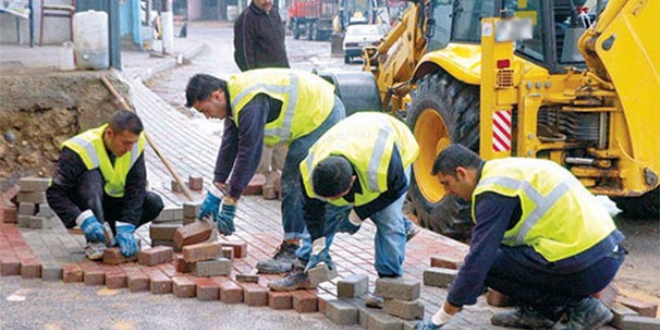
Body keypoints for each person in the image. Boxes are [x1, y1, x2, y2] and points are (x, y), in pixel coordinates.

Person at [416, 144, 625, 330]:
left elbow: (480, 258)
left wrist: (439, 318)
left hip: (587, 266)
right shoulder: (506, 171)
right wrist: (470, 285)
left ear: (462, 173)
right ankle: (540, 313)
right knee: (496, 259)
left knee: (488, 264)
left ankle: (583, 308)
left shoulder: (494, 192)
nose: (448, 192)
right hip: (606, 254)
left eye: (447, 183)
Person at [184, 68, 346, 274]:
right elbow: (229, 146)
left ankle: (293, 248)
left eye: (205, 110)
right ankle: (297, 244)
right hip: (313, 114)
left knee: (294, 176)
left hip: (324, 113)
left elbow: (249, 151)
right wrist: (216, 191)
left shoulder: (250, 101)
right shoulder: (234, 101)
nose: (207, 117)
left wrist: (231, 200)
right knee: (294, 172)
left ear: (216, 95)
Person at [269, 113, 420, 300]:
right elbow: (313, 212)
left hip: (396, 144)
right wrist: (318, 246)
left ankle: (389, 282)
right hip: (351, 136)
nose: (333, 200)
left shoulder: (381, 164)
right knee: (330, 211)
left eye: (337, 197)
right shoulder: (310, 170)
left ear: (352, 181)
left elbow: (397, 190)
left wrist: (357, 214)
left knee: (388, 219)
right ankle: (306, 268)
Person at [46, 110, 164, 260]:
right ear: (109, 133)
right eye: (126, 142)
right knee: (91, 177)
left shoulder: (134, 146)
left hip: (112, 204)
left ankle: (113, 236)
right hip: (88, 207)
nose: (129, 148)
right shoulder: (80, 148)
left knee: (153, 202)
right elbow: (54, 193)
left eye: (133, 143)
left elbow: (136, 188)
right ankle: (95, 239)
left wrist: (127, 224)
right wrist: (80, 218)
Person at [233, 0, 289, 72]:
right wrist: (253, 77)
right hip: (261, 78)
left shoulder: (274, 14)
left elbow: (281, 46)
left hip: (281, 75)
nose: (268, 1)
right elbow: (243, 56)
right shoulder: (246, 19)